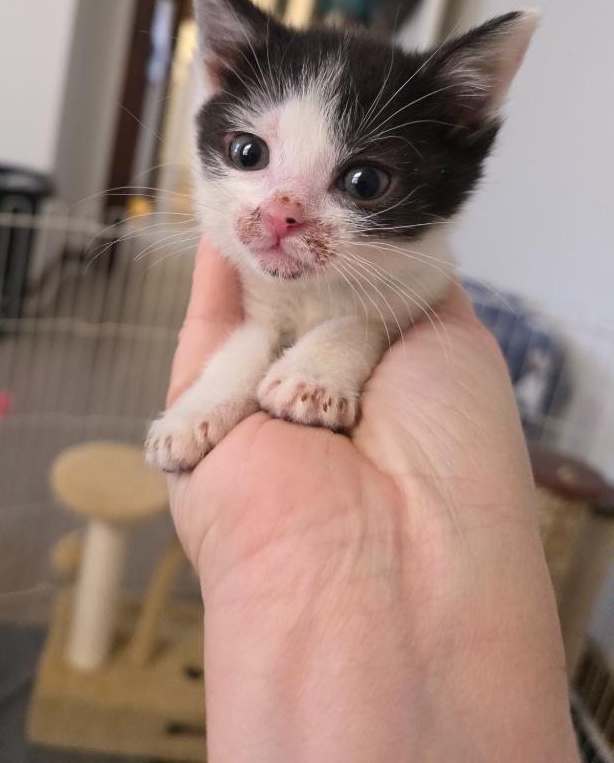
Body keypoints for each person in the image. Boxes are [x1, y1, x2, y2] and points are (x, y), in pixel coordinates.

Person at [165, 239, 580, 763]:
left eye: (362, 183)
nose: (281, 215)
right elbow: (257, 334)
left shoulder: (418, 290)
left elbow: (372, 324)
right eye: (249, 153)